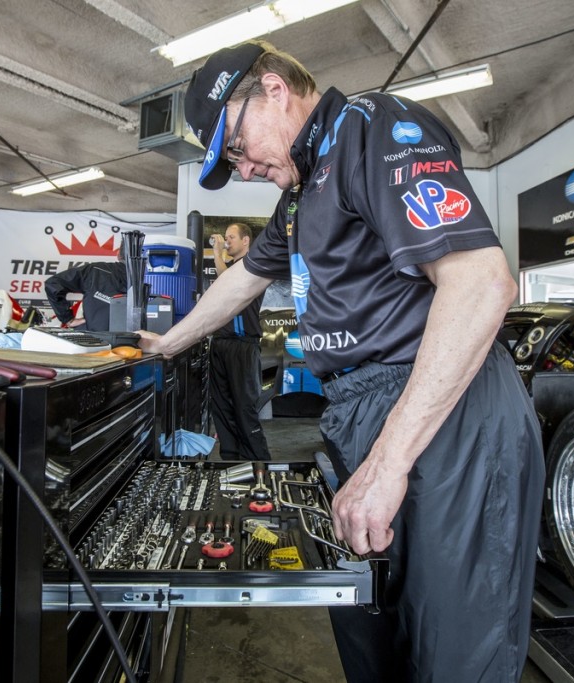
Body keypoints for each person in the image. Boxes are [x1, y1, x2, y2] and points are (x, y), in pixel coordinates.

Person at [137, 41, 544, 683]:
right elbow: (244, 278)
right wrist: (169, 343)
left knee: (452, 655)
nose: (242, 169)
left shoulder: (370, 128)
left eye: (237, 148)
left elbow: (481, 282)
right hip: (358, 411)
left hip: (443, 411)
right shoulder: (299, 194)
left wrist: (388, 462)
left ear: (273, 90)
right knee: (367, 634)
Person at [206, 222, 270, 460]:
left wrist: (216, 252)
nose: (226, 240)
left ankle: (258, 460)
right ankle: (230, 458)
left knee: (244, 407)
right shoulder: (230, 267)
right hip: (221, 343)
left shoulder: (252, 265)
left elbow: (229, 284)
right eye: (225, 237)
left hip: (242, 346)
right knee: (221, 406)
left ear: (246, 241)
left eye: (231, 237)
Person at [43, 257, 127, 331]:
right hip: (135, 343)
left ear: (118, 254)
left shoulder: (95, 271)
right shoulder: (96, 271)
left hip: (94, 342)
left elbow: (53, 284)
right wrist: (67, 318)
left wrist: (67, 319)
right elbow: (53, 284)